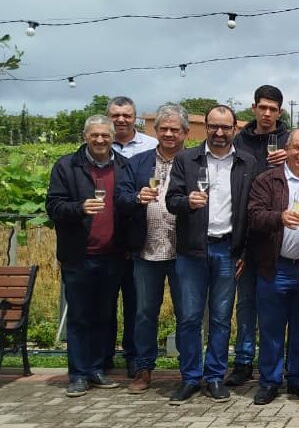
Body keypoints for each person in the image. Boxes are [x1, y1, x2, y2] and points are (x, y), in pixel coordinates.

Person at [165, 105, 257, 404]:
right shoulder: (186, 159)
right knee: (189, 317)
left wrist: (244, 250)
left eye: (226, 127)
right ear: (205, 127)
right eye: (214, 127)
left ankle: (215, 376)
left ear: (235, 129)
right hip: (193, 249)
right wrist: (186, 200)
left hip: (227, 250)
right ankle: (190, 378)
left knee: (220, 318)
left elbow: (250, 210)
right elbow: (171, 200)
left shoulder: (247, 162)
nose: (219, 133)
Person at [46, 116, 130, 397]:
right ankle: (78, 374)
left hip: (112, 253)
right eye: (94, 135)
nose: (100, 140)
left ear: (112, 137)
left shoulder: (123, 165)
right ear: (85, 136)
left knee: (105, 315)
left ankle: (97, 368)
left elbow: (127, 204)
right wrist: (80, 208)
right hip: (79, 255)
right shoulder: (66, 166)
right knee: (80, 317)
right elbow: (54, 206)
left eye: (105, 136)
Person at [115, 103, 189, 394]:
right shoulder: (138, 163)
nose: (169, 134)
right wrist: (136, 197)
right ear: (155, 131)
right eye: (164, 129)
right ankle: (142, 368)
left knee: (188, 313)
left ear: (185, 133)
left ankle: (189, 369)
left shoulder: (195, 161)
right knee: (145, 312)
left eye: (175, 129)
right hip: (146, 250)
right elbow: (119, 199)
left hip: (183, 251)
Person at [247, 129, 299, 404]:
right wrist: (279, 216)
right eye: (298, 148)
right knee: (271, 328)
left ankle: (297, 378)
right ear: (287, 149)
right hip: (276, 266)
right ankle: (269, 381)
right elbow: (254, 215)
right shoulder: (268, 179)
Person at [227, 85, 290, 388]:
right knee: (246, 303)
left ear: (280, 111)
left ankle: (278, 364)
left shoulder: (290, 142)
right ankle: (242, 360)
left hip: (280, 236)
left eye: (273, 109)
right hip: (247, 232)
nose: (267, 113)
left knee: (276, 308)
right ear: (253, 108)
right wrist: (238, 246)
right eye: (262, 107)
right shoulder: (239, 142)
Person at [106, 95, 157, 376]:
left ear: (135, 117)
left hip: (142, 239)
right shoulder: (98, 144)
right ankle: (103, 358)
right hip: (108, 239)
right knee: (105, 304)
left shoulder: (151, 148)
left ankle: (135, 359)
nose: (121, 120)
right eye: (115, 115)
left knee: (138, 305)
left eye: (126, 115)